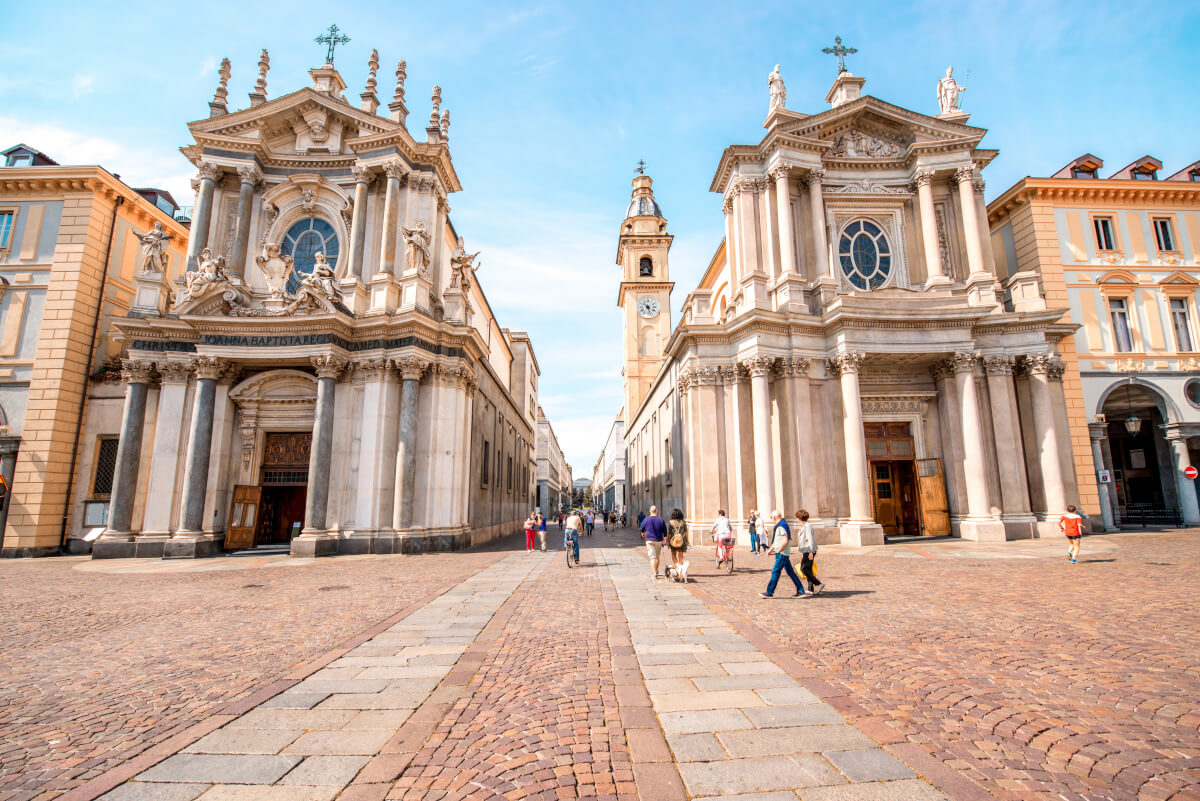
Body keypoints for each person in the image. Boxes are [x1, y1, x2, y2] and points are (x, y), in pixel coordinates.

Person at [760, 510, 804, 598]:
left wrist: (779, 550)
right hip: (782, 553)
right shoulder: (781, 525)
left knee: (775, 571)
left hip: (782, 553)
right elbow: (777, 541)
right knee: (791, 572)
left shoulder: (781, 526)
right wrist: (770, 550)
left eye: (771, 517)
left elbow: (785, 540)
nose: (771, 519)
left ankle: (769, 592)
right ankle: (801, 590)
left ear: (774, 517)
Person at [795, 509, 824, 595]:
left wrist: (811, 552)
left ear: (799, 518)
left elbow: (810, 539)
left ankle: (818, 584)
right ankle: (810, 589)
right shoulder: (804, 526)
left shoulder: (807, 526)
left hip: (809, 550)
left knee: (803, 569)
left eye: (797, 517)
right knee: (808, 569)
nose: (796, 519)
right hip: (806, 550)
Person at [640, 505, 667, 579]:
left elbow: (641, 527)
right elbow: (665, 531)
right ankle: (656, 570)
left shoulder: (647, 520)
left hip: (649, 540)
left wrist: (643, 534)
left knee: (652, 557)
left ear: (650, 511)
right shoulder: (660, 520)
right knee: (657, 557)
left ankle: (654, 573)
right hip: (658, 540)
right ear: (656, 511)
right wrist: (664, 540)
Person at [666, 508, 689, 581]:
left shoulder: (671, 522)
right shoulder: (683, 522)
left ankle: (677, 568)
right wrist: (688, 541)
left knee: (673, 556)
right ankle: (681, 572)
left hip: (674, 541)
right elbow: (686, 533)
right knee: (681, 557)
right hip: (682, 541)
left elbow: (669, 534)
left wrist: (668, 542)